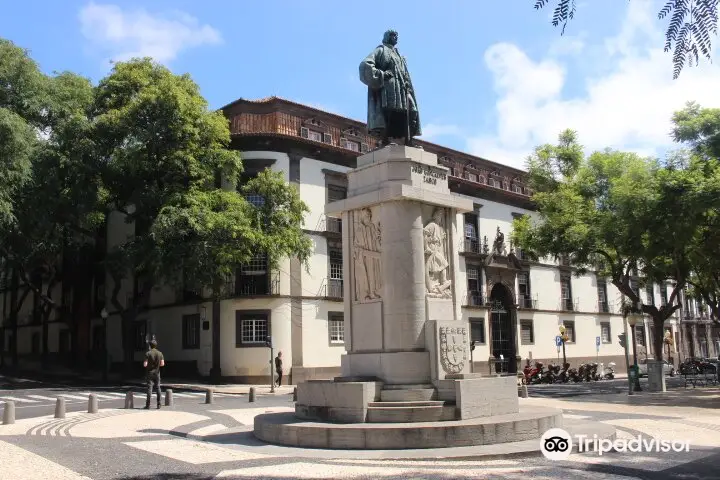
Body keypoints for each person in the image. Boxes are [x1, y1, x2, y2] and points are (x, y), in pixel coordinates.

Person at [359, 29, 421, 146]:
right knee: (390, 112)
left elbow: (405, 73)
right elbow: (365, 64)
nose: (395, 37)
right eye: (393, 35)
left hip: (402, 88)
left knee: (412, 111)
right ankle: (386, 140)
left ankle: (408, 140)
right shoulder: (381, 50)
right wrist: (381, 74)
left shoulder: (399, 54)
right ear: (387, 37)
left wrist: (408, 84)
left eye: (397, 35)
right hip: (389, 87)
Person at [143, 339, 165, 409]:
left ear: (150, 346)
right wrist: (157, 365)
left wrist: (149, 364)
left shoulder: (148, 353)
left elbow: (145, 365)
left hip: (149, 373)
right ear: (156, 345)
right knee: (158, 387)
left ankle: (148, 405)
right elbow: (162, 364)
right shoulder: (160, 353)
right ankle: (159, 404)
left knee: (149, 388)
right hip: (157, 373)